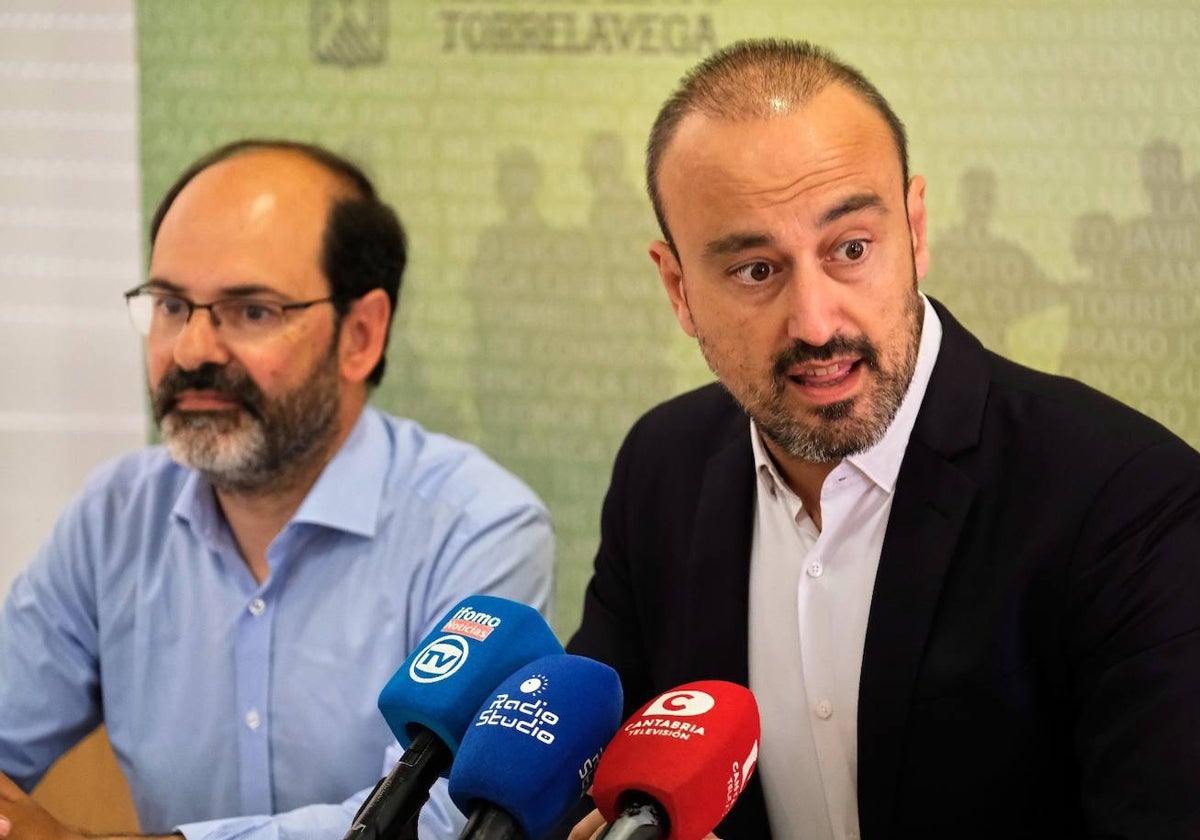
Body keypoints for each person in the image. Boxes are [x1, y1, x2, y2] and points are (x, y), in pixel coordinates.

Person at [565, 39, 1200, 839]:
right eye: (756, 271)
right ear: (677, 288)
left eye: (852, 249)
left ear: (916, 228)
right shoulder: (662, 468)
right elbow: (590, 774)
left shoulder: (1130, 504)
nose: (817, 322)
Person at [0, 140, 554, 840]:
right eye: (171, 304)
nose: (192, 350)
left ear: (361, 335)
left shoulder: (476, 526)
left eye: (251, 311)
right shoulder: (114, 517)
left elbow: (441, 823)